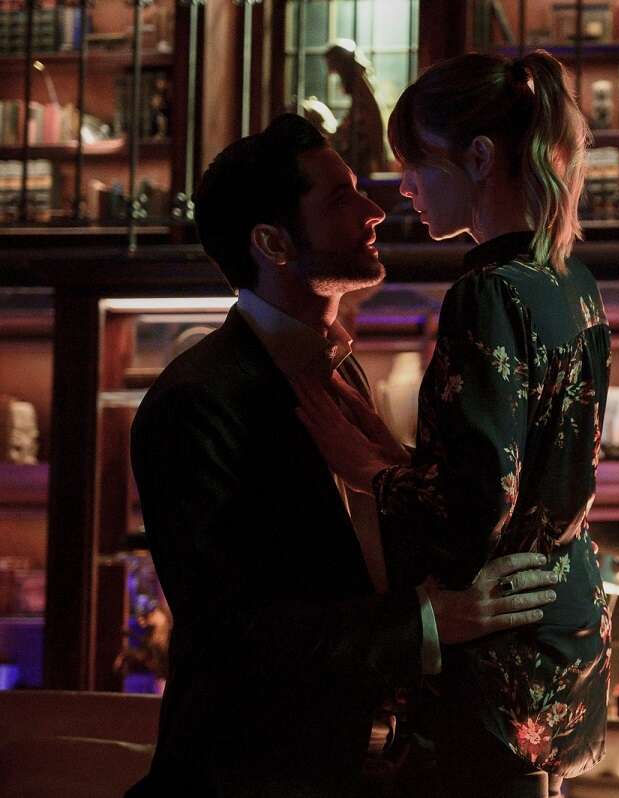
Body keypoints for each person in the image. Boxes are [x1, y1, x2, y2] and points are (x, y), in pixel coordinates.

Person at [126, 113, 558, 798]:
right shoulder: (195, 400)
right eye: (340, 199)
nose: (374, 211)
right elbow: (232, 632)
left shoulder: (338, 369)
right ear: (272, 243)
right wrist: (430, 620)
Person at [292, 51, 611, 798]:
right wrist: (386, 446)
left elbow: (474, 507)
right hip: (566, 650)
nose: (402, 186)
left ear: (479, 158)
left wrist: (364, 471)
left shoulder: (488, 291)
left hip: (496, 669)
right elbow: (521, 476)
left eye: (416, 162)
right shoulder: (571, 281)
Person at [325, 39, 389, 178]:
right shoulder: (358, 93)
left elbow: (373, 123)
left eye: (335, 69)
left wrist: (378, 159)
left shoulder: (361, 91)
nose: (334, 75)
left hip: (362, 163)